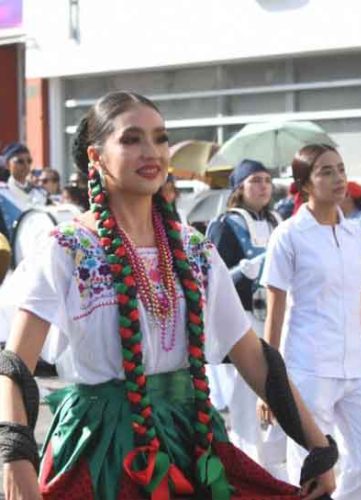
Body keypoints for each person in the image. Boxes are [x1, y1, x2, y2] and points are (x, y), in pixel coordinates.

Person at [0, 92, 336, 499]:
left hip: (190, 445)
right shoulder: (66, 248)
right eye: (131, 139)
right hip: (102, 453)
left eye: (160, 138)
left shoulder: (195, 250)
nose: (151, 151)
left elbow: (254, 357)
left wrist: (318, 447)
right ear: (96, 156)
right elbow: (14, 367)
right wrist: (15, 457)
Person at [260, 143, 361, 499]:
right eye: (325, 171)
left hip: (354, 368)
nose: (338, 178)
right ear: (304, 184)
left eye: (340, 169)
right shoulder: (288, 235)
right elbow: (275, 311)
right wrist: (270, 382)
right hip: (307, 366)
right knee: (309, 470)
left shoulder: (355, 234)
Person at [206, 158, 286, 478]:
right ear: (239, 188)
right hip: (244, 317)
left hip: (277, 315)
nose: (264, 186)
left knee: (280, 387)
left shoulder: (280, 221)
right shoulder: (225, 224)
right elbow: (212, 274)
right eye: (255, 180)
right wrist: (240, 271)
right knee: (246, 393)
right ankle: (247, 461)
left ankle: (277, 461)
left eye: (267, 180)